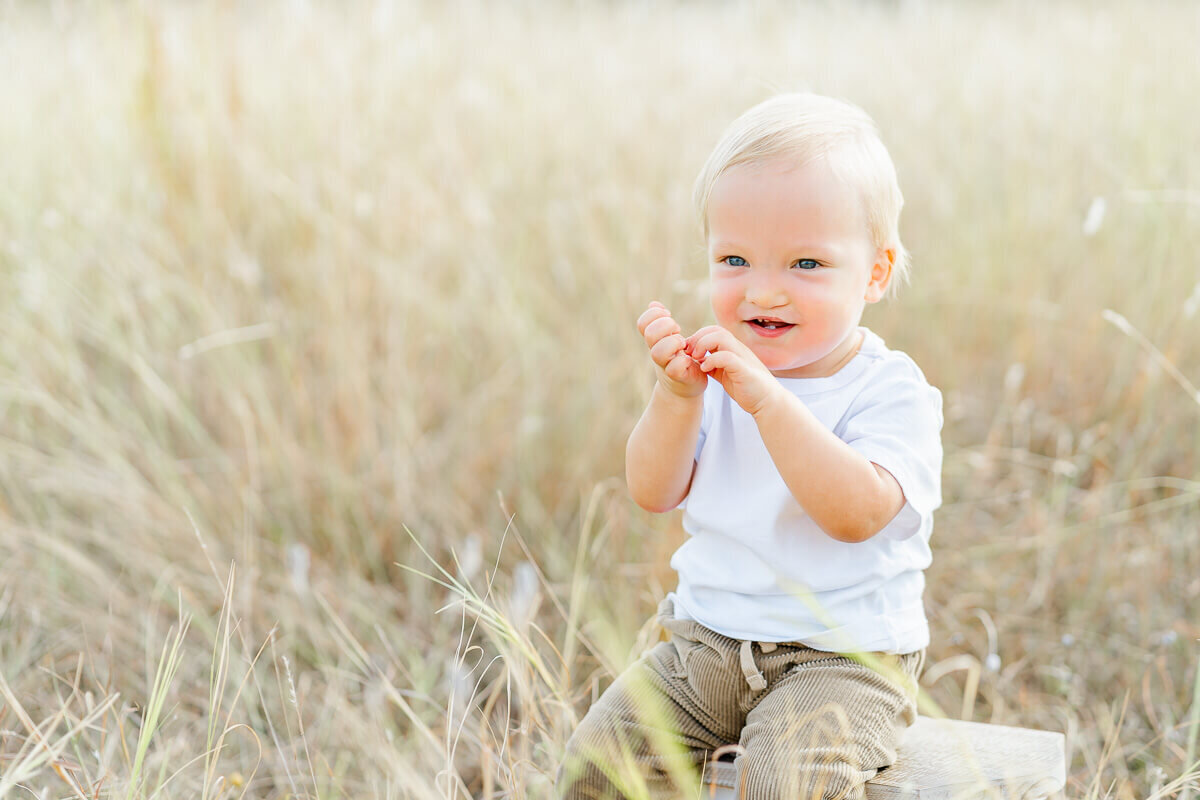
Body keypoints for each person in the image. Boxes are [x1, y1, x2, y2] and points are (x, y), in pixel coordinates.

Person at [556, 92, 944, 800]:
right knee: (597, 765)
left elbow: (855, 513)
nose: (766, 290)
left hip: (844, 659)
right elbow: (653, 490)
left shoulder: (889, 392)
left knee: (781, 785)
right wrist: (675, 399)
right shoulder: (717, 377)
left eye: (806, 264)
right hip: (707, 643)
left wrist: (769, 401)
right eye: (735, 259)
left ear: (877, 273)